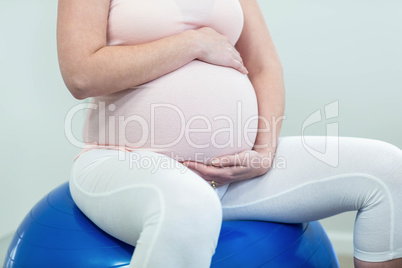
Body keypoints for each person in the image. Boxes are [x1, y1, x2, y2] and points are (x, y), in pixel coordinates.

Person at [57, 0, 402, 267]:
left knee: (388, 171)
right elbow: (82, 75)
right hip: (123, 163)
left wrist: (264, 153)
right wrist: (192, 43)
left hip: (232, 178)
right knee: (190, 204)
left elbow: (265, 65)